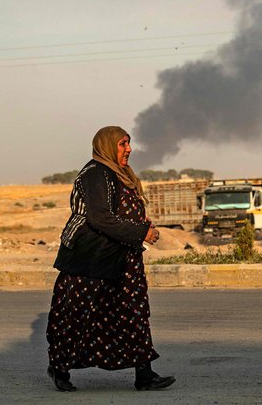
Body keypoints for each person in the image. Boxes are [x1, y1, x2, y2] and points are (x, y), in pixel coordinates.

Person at [45, 126, 175, 392]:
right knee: (76, 315)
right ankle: (60, 368)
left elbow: (119, 212)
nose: (129, 149)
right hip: (90, 258)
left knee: (134, 314)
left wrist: (139, 223)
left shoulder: (120, 174)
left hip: (122, 256)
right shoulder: (95, 174)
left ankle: (145, 374)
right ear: (107, 146)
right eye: (122, 144)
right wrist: (141, 231)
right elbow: (101, 218)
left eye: (129, 143)